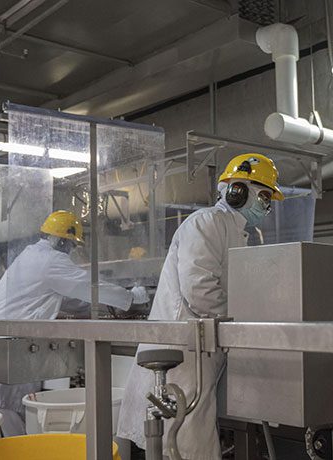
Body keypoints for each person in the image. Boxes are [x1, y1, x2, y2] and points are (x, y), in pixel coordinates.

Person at [117, 153, 283, 459]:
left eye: (269, 199)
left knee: (189, 441)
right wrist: (241, 326)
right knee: (186, 445)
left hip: (202, 351)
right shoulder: (206, 223)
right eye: (263, 195)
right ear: (237, 190)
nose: (267, 205)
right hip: (183, 354)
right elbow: (199, 290)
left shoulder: (239, 234)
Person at [0, 210, 149, 436]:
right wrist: (132, 297)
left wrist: (103, 309)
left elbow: (66, 298)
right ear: (61, 240)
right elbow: (91, 287)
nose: (72, 250)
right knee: (12, 434)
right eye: (71, 244)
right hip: (5, 353)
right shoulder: (51, 260)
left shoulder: (30, 256)